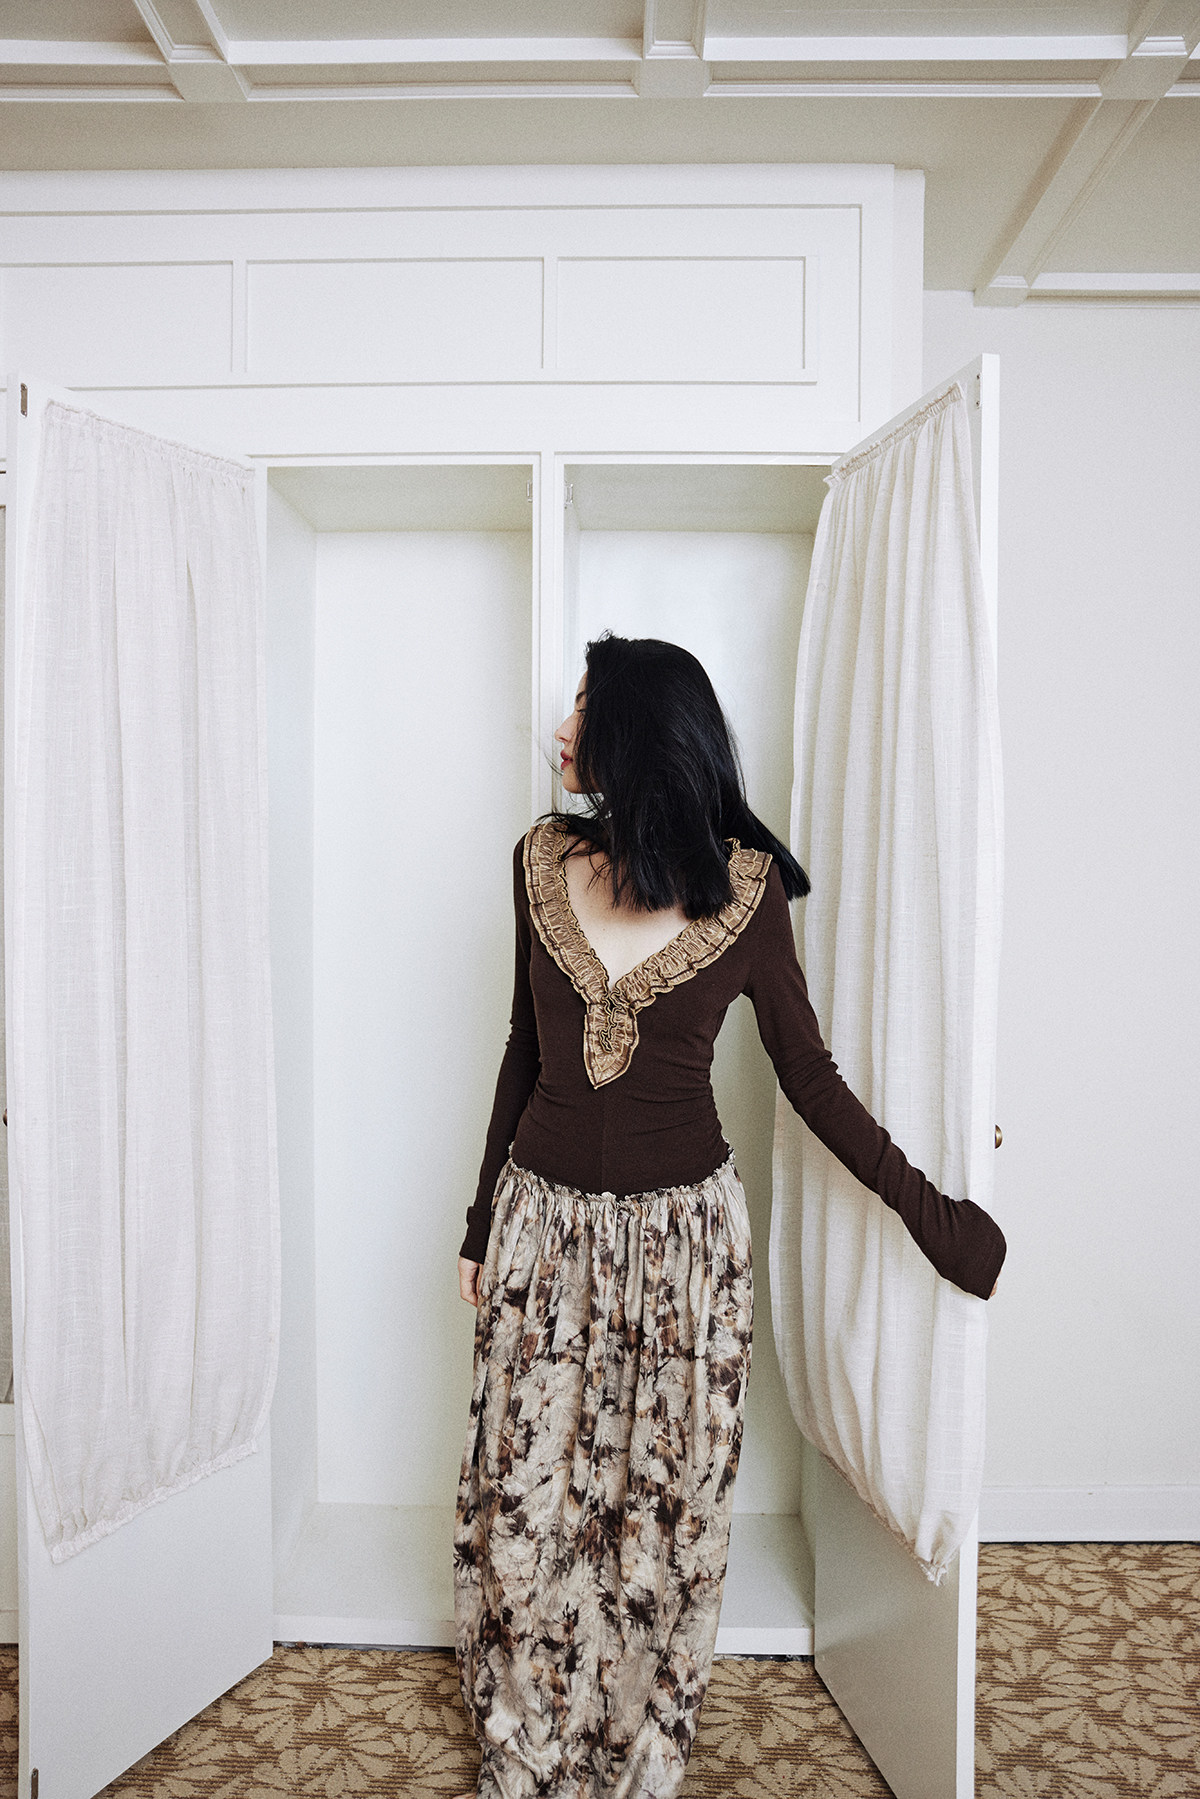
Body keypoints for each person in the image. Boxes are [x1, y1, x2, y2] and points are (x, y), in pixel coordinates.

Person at [452, 633, 1005, 1799]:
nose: (562, 727)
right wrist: (478, 1221)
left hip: (686, 1259)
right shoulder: (538, 860)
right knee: (526, 1505)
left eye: (585, 705)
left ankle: (636, 1759)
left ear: (640, 731)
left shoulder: (747, 895)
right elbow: (521, 1047)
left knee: (661, 1517)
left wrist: (934, 1215)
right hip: (543, 1237)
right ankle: (527, 1752)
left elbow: (809, 1076)